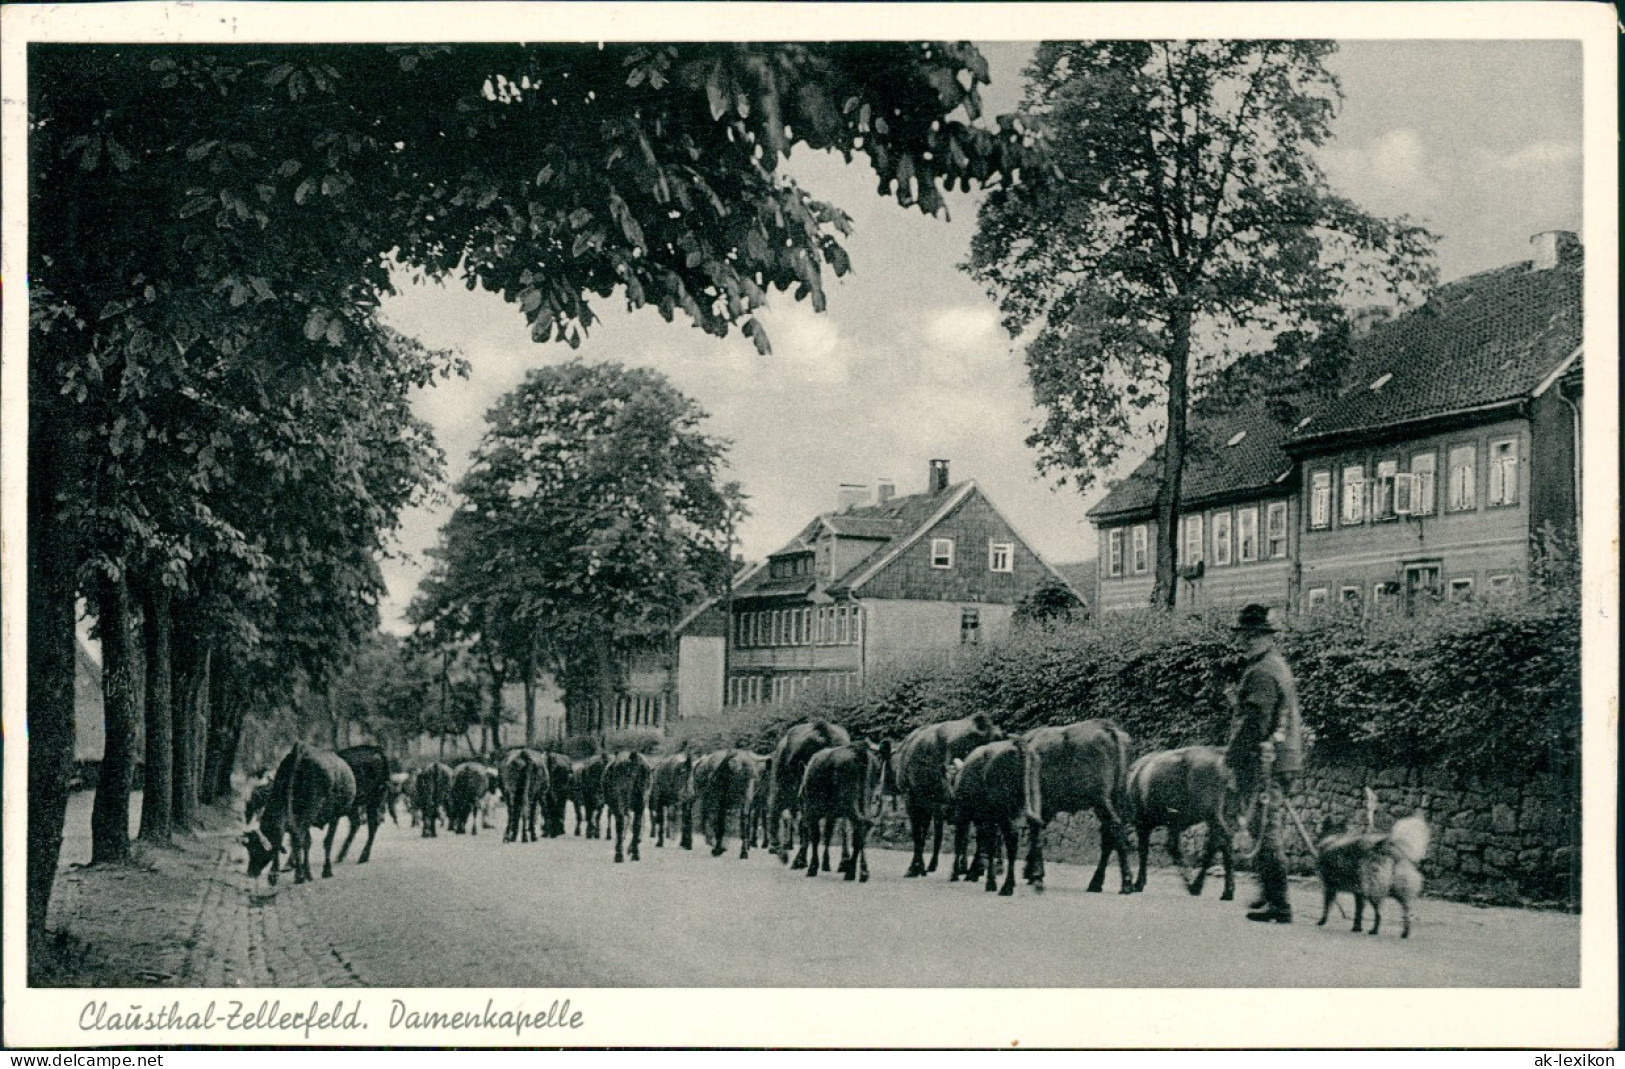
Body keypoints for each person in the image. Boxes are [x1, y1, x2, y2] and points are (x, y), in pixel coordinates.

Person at [1225, 603, 1304, 924]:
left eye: (1254, 635)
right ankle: (1267, 895)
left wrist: (1232, 759)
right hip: (1285, 758)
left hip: (1266, 763)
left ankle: (1280, 905)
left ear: (1266, 638)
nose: (1246, 641)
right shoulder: (1276, 665)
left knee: (1265, 831)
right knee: (1262, 825)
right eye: (1244, 635)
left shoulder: (1260, 673)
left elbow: (1255, 722)